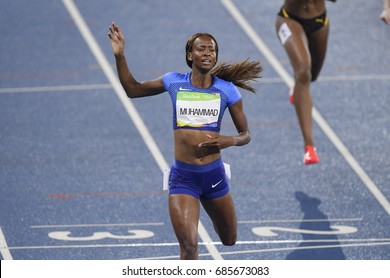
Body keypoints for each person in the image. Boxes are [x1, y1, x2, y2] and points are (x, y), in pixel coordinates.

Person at [108, 22, 262, 259]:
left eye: (212, 50)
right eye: (201, 49)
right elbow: (132, 89)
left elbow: (246, 135)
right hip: (183, 178)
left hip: (214, 175)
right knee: (189, 246)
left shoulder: (228, 90)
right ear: (190, 55)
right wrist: (120, 56)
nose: (207, 53)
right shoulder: (173, 82)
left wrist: (229, 140)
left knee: (229, 239)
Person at [275, 0, 336, 164]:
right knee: (303, 73)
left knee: (312, 76)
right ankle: (309, 147)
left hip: (319, 22)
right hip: (289, 20)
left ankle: (298, 91)